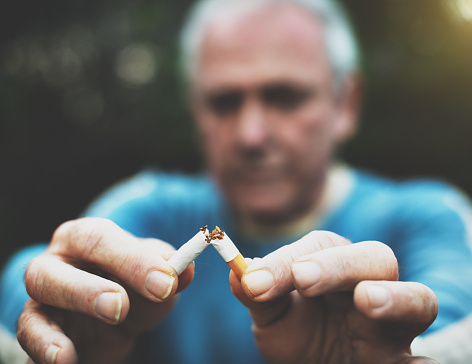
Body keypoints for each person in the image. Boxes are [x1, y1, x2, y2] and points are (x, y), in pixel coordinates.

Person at [1, 0, 472, 363]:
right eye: (224, 101)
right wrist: (46, 303)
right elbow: (48, 270)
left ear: (345, 103)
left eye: (285, 97)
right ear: (195, 111)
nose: (251, 135)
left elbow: (454, 328)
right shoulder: (150, 206)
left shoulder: (431, 216)